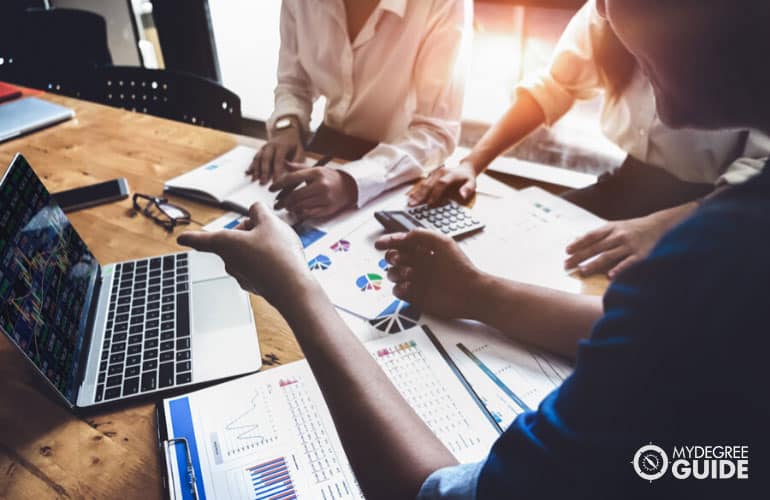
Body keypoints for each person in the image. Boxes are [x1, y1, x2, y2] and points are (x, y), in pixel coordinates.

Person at [178, 0, 769, 497]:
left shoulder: (714, 257)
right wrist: (479, 293)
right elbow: (655, 330)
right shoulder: (706, 276)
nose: (655, 107)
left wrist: (297, 289)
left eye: (648, 62)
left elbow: (439, 493)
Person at [409, 0, 770, 279]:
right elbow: (555, 86)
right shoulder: (604, 13)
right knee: (515, 253)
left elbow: (759, 178)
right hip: (625, 184)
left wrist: (663, 225)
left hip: (718, 204)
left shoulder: (727, 38)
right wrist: (473, 162)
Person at [247, 0, 470, 220]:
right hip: (328, 146)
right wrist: (288, 124)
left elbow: (436, 130)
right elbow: (294, 82)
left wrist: (352, 181)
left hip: (405, 162)